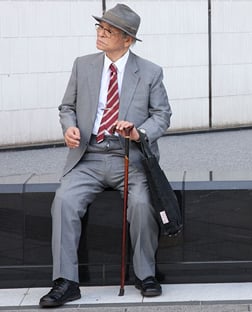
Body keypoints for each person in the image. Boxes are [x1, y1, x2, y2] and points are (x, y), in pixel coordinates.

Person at [39, 3, 171, 307]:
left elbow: (162, 115)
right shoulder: (82, 65)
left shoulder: (150, 72)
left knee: (141, 204)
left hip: (131, 157)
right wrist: (69, 128)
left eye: (108, 30)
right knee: (63, 202)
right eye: (99, 27)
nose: (100, 33)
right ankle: (66, 281)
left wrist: (138, 132)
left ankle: (145, 274)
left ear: (127, 39)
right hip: (88, 156)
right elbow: (67, 107)